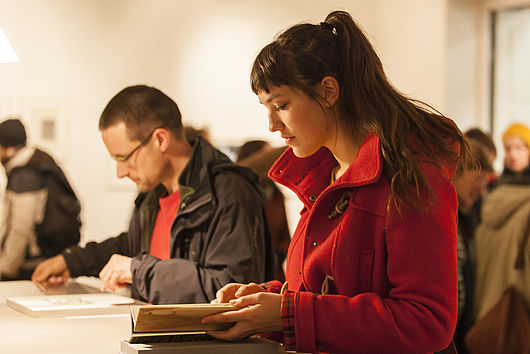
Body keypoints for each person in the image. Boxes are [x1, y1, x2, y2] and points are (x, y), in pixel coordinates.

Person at [202, 11, 471, 354]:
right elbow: (328, 292)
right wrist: (263, 302)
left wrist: (286, 314)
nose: (271, 124)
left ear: (328, 91)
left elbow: (426, 321)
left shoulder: (410, 176)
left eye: (281, 105)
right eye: (266, 107)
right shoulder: (325, 176)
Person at [32, 85, 273, 304]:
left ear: (160, 139)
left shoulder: (229, 190)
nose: (120, 172)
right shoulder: (152, 195)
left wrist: (138, 271)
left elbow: (233, 289)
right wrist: (71, 261)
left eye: (124, 158)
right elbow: (133, 246)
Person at [0, 118, 81, 280]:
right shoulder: (41, 164)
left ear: (8, 149)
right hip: (48, 257)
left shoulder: (24, 176)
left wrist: (5, 270)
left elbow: (20, 229)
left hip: (29, 265)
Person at [473, 123, 530, 323]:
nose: (513, 154)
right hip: (516, 317)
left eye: (520, 148)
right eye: (508, 148)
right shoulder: (487, 192)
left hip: (486, 312)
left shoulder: (489, 196)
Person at [451, 140, 493, 354]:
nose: (481, 190)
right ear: (459, 170)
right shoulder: (446, 219)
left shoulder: (463, 219)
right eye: (478, 179)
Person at [236, 140, 290, 282]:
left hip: (274, 277)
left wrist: (276, 257)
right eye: (268, 155)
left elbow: (285, 237)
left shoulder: (276, 195)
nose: (274, 160)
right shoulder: (237, 193)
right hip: (243, 276)